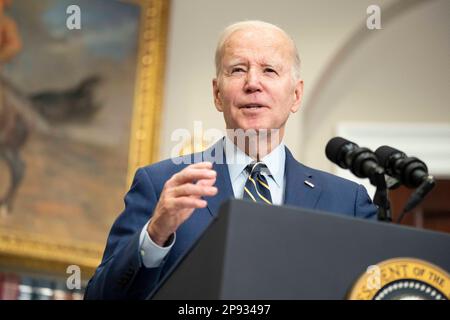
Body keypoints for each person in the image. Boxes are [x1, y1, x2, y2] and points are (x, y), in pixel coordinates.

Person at [84, 20, 377, 300]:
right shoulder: (160, 185)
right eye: (237, 70)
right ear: (217, 94)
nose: (252, 83)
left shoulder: (346, 202)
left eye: (269, 71)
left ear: (296, 95)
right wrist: (155, 234)